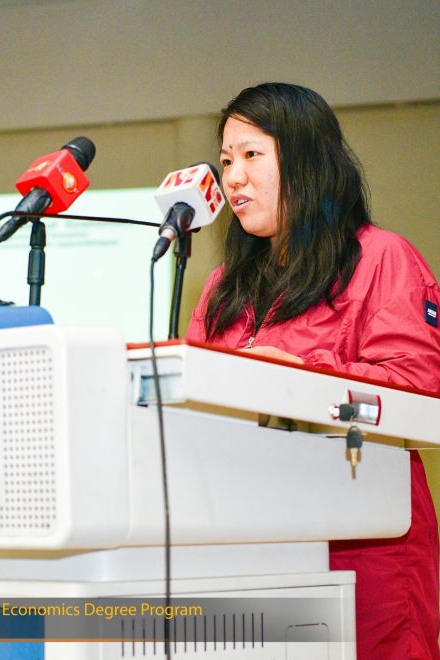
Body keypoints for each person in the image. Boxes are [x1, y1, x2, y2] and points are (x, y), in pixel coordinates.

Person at [186, 82, 440, 659]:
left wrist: (303, 377)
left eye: (252, 155)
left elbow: (421, 394)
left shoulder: (380, 257)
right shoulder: (223, 286)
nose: (233, 178)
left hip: (363, 543)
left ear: (306, 159)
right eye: (226, 161)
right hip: (252, 542)